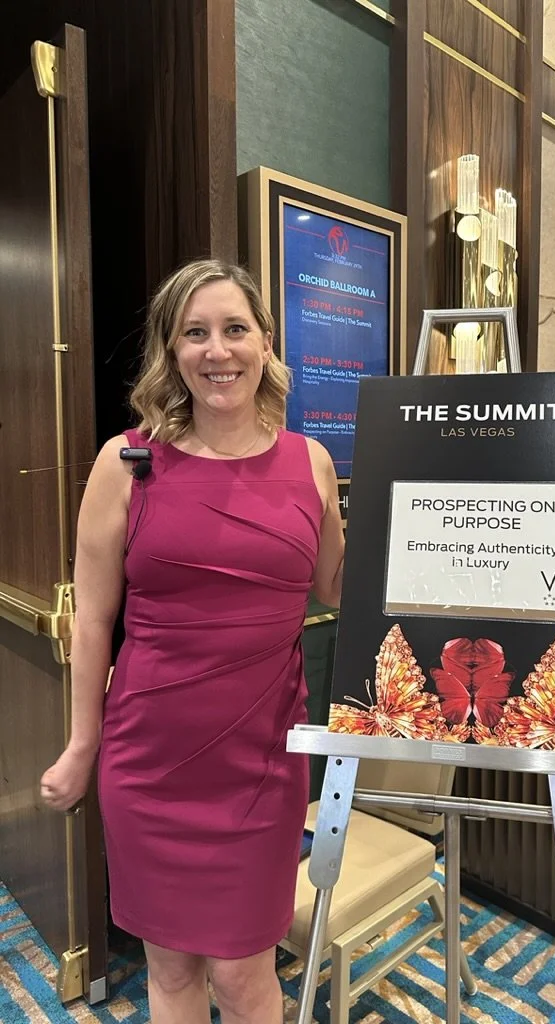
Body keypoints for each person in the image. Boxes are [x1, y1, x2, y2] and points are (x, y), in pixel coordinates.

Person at [40, 258, 345, 1024]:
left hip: (260, 766)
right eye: (195, 333)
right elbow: (91, 619)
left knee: (244, 978)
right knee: (169, 972)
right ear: (172, 352)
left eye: (235, 329)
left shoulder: (309, 463)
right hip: (149, 763)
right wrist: (83, 743)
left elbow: (342, 589)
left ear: (265, 344)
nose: (219, 351)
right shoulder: (127, 463)